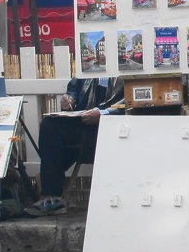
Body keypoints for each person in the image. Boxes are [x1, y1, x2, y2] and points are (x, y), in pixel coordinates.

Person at [24, 77, 123, 216]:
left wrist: (103, 113)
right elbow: (73, 91)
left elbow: (133, 101)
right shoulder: (87, 69)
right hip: (84, 122)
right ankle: (52, 198)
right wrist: (68, 101)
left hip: (116, 124)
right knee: (50, 126)